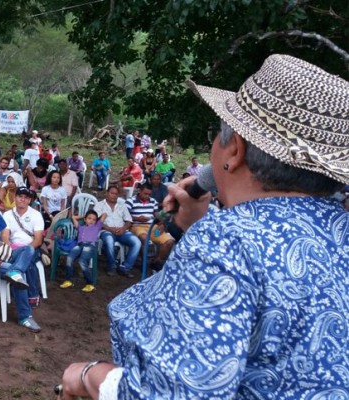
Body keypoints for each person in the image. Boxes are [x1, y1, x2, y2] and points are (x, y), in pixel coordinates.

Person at [58, 54, 349, 399]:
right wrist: (189, 226)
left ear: (234, 151)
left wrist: (90, 376)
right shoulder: (338, 229)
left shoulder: (224, 240)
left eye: (217, 133)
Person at [2, 187, 45, 330]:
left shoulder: (36, 215)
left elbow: (38, 240)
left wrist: (28, 250)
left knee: (29, 253)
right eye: (20, 196)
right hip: (13, 249)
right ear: (15, 197)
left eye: (26, 197)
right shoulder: (8, 214)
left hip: (31, 247)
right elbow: (5, 236)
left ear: (30, 200)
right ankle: (31, 295)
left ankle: (16, 273)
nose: (23, 199)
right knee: (25, 258)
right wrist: (9, 248)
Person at [94, 185, 141, 278]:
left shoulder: (122, 206)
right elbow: (96, 221)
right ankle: (112, 266)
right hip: (106, 231)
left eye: (116, 194)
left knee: (137, 242)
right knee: (109, 240)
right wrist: (110, 229)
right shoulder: (99, 205)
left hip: (121, 231)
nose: (114, 195)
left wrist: (123, 229)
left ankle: (125, 268)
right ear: (106, 194)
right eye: (112, 193)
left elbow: (129, 220)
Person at [125, 183, 175, 271]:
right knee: (144, 238)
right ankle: (144, 262)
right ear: (140, 191)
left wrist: (162, 224)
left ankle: (156, 261)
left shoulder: (153, 201)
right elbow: (124, 216)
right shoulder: (130, 201)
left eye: (149, 194)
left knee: (169, 241)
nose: (147, 196)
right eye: (145, 193)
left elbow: (157, 215)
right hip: (137, 225)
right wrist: (137, 218)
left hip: (152, 226)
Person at [60, 210, 107, 293]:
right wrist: (84, 216)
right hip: (80, 245)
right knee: (69, 258)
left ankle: (90, 283)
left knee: (82, 261)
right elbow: (73, 217)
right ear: (85, 219)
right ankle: (68, 280)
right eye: (89, 218)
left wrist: (97, 219)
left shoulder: (97, 226)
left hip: (90, 246)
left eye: (93, 219)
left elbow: (104, 214)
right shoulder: (80, 227)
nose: (91, 221)